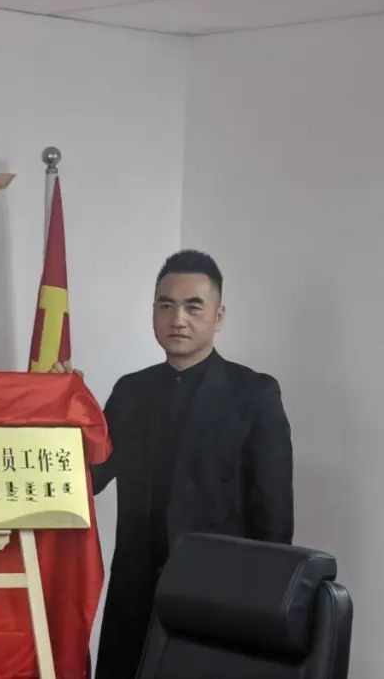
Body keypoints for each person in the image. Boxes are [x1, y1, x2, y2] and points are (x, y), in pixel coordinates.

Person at [90, 249, 293, 678]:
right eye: (166, 306)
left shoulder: (253, 394)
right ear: (153, 313)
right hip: (134, 597)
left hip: (218, 597)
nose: (177, 319)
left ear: (218, 316)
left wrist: (259, 611)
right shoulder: (131, 392)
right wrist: (60, 407)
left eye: (193, 307)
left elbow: (274, 522)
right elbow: (89, 477)